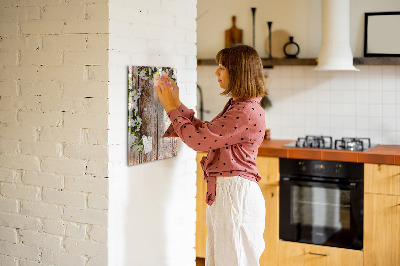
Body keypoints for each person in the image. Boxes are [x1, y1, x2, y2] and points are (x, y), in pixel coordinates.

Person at [155, 44, 267, 266]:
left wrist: (170, 108)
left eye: (222, 67)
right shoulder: (240, 106)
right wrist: (176, 104)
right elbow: (206, 133)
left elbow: (198, 141)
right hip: (230, 195)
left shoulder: (244, 111)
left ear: (238, 72)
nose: (217, 73)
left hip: (235, 197)